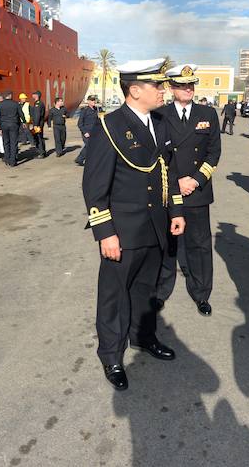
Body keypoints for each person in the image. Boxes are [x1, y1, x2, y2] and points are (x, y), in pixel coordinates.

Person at [82, 58, 185, 391]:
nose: (164, 91)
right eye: (158, 86)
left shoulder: (160, 122)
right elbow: (95, 187)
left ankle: (144, 337)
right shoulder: (110, 126)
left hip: (155, 226)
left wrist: (176, 212)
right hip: (123, 232)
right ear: (136, 90)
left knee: (146, 290)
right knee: (114, 296)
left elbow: (169, 171)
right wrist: (105, 233)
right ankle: (111, 355)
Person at [155, 65, 221, 316]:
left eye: (191, 84)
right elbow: (158, 154)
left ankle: (201, 293)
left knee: (199, 245)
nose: (188, 89)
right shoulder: (159, 115)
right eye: (182, 85)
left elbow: (214, 152)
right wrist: (176, 182)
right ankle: (161, 291)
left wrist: (194, 180)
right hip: (168, 189)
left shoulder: (208, 114)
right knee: (167, 244)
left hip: (197, 189)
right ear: (171, 88)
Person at [0, 90, 23, 166]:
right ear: (10, 95)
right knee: (13, 143)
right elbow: (21, 114)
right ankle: (13, 161)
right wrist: (24, 122)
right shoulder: (15, 104)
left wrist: (0, 128)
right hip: (14, 125)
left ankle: (7, 159)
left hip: (4, 125)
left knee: (6, 142)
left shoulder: (0, 105)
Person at [75, 95, 99, 166]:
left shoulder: (95, 110)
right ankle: (79, 159)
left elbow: (96, 121)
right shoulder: (84, 110)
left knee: (93, 147)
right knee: (89, 146)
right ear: (88, 101)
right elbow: (80, 123)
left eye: (94, 100)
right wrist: (85, 132)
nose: (94, 101)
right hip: (87, 132)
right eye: (92, 100)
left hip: (94, 132)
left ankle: (89, 160)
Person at [29, 90, 47, 158]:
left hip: (38, 124)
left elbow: (37, 115)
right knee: (40, 137)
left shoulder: (38, 104)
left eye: (33, 94)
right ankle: (43, 152)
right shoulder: (39, 103)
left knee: (38, 138)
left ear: (36, 95)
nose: (32, 95)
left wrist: (35, 125)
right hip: (40, 123)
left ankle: (41, 153)